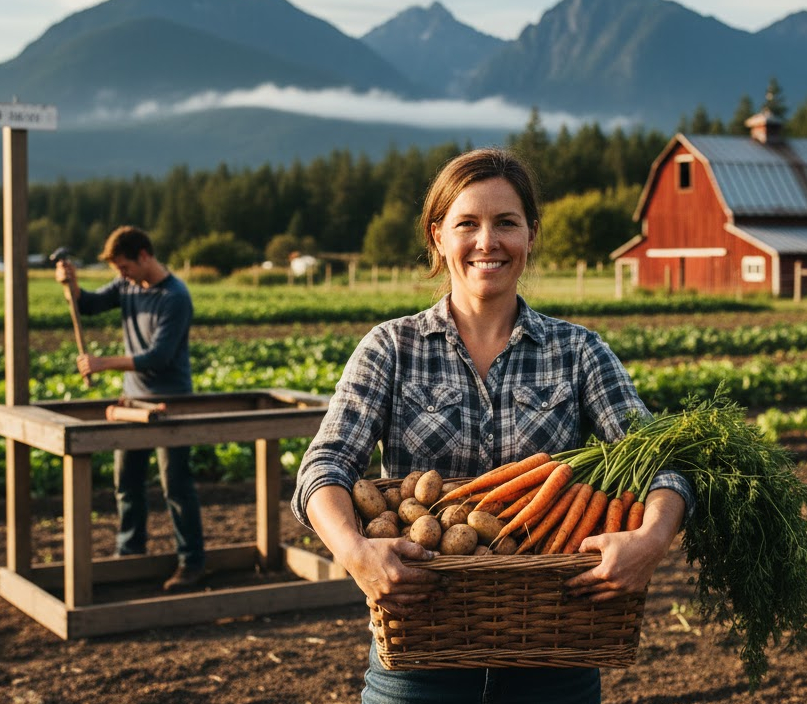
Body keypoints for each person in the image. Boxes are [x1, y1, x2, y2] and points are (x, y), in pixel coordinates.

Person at [291, 147, 693, 704]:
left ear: (530, 235)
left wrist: (652, 539)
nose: (488, 242)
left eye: (506, 223)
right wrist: (354, 553)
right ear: (438, 237)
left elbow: (660, 464)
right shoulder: (390, 348)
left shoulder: (579, 353)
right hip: (417, 658)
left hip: (554, 655)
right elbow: (325, 465)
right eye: (467, 224)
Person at [55, 225, 206, 592]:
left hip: (171, 401)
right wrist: (69, 284)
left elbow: (159, 356)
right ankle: (130, 555)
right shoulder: (126, 286)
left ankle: (192, 563)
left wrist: (103, 363)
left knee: (175, 484)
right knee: (127, 481)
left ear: (143, 256)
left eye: (123, 267)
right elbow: (87, 304)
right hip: (130, 401)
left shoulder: (175, 296)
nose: (120, 275)